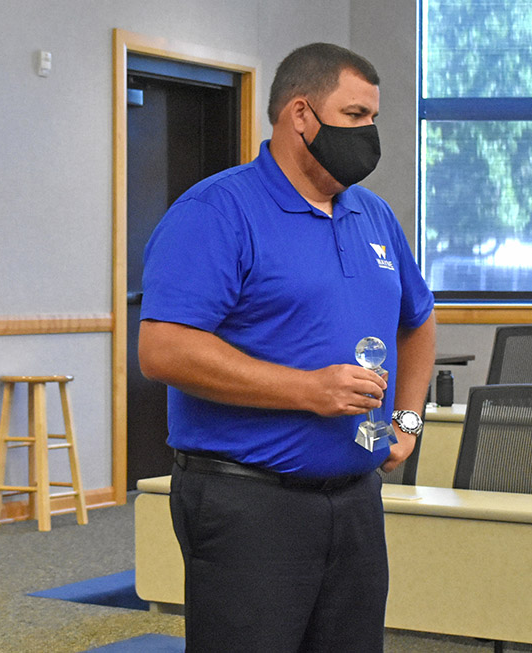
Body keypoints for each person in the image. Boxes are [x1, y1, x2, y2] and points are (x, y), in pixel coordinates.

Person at [138, 43, 436, 652]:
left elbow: (419, 321)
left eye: (374, 119)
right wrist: (307, 390)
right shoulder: (217, 211)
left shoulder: (373, 215)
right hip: (247, 503)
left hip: (354, 500)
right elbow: (163, 349)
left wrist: (407, 419)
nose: (370, 133)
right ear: (301, 114)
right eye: (356, 116)